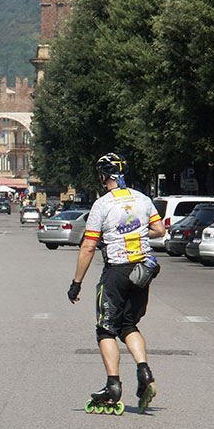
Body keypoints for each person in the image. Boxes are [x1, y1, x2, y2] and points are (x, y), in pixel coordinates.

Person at [67, 152, 165, 414]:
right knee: (128, 324)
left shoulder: (103, 204)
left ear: (103, 176)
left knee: (106, 330)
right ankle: (143, 371)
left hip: (117, 272)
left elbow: (88, 246)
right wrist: (137, 231)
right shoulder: (143, 199)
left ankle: (113, 386)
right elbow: (160, 231)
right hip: (143, 271)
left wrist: (77, 282)